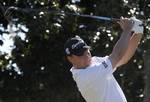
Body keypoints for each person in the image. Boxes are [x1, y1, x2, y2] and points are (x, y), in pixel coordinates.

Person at [64, 17, 143, 102]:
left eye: (85, 49)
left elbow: (121, 59)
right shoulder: (84, 76)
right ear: (70, 59)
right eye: (80, 53)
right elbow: (117, 55)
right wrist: (127, 29)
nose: (86, 54)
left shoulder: (94, 62)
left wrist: (138, 32)